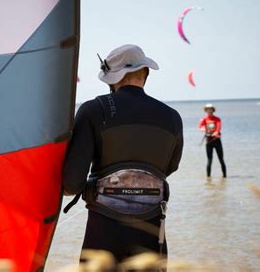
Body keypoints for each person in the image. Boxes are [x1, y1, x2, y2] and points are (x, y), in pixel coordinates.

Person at [62, 44, 183, 265]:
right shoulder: (172, 117)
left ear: (112, 79)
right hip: (152, 232)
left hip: (103, 234)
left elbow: (71, 184)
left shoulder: (92, 110)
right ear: (145, 73)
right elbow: (170, 168)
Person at [198, 104, 227, 178]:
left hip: (217, 141)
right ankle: (208, 178)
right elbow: (200, 127)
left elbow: (218, 128)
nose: (209, 110)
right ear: (206, 110)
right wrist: (205, 130)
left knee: (221, 160)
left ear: (213, 110)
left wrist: (215, 132)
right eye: (207, 109)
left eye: (210, 109)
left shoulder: (217, 119)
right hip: (209, 142)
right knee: (209, 161)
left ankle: (224, 177)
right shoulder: (204, 119)